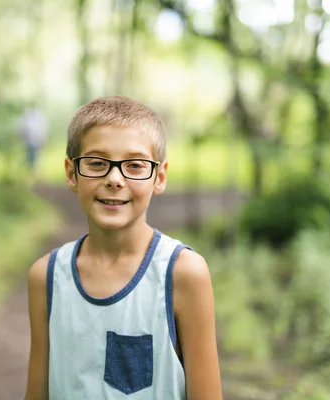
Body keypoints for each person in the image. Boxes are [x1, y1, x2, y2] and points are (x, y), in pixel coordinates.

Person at [24, 96, 222, 400]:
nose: (114, 179)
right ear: (71, 173)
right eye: (97, 163)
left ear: (159, 177)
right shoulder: (46, 278)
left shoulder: (182, 274)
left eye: (135, 165)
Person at [18, 106, 49, 178]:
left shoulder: (38, 118)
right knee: (31, 156)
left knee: (36, 156)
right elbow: (23, 130)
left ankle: (34, 171)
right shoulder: (27, 118)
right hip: (30, 141)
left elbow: (42, 130)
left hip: (36, 141)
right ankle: (31, 170)